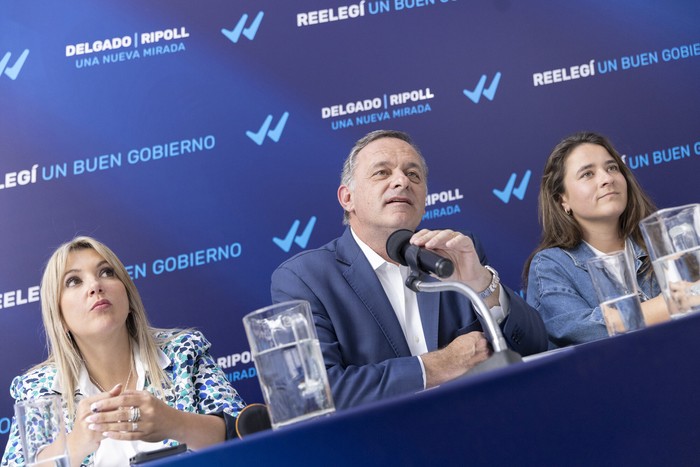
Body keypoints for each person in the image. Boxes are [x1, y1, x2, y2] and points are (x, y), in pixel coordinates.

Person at [271, 129, 548, 410]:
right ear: (347, 198)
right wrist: (439, 365)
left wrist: (481, 285)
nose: (402, 181)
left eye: (413, 174)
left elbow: (535, 348)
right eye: (382, 173)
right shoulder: (304, 278)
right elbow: (311, 397)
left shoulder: (453, 252)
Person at [2, 236, 245, 467]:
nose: (96, 285)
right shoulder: (39, 390)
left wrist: (174, 423)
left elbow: (245, 434)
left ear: (127, 295)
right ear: (60, 317)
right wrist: (75, 444)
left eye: (106, 272)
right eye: (74, 281)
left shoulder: (184, 353)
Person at [523, 131, 670, 349]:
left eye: (612, 168)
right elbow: (584, 331)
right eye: (587, 174)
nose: (607, 179)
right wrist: (675, 301)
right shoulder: (549, 265)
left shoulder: (663, 240)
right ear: (562, 199)